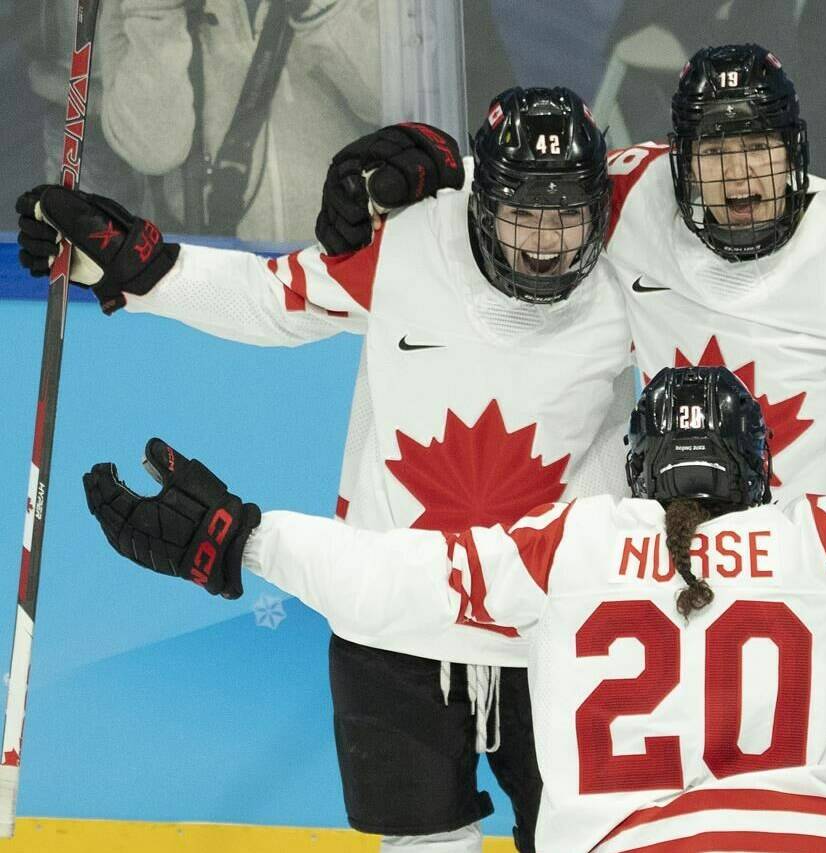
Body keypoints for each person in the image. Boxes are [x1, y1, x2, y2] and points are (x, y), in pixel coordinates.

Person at [314, 44, 826, 850]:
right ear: (676, 161)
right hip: (704, 585)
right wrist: (418, 167)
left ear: (796, 152)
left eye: (760, 152)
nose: (740, 180)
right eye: (717, 155)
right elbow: (519, 182)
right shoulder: (629, 198)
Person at [81, 366, 826, 852]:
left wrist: (244, 537)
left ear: (635, 467)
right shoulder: (823, 534)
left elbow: (394, 588)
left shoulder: (570, 541)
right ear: (757, 464)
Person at [16, 87, 632, 853]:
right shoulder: (411, 246)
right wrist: (134, 266)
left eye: (567, 217)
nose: (545, 242)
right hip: (391, 622)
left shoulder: (632, 280)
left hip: (557, 631)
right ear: (482, 201)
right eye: (522, 216)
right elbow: (270, 300)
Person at [96, 0, 381, 240]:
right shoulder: (134, 7)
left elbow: (397, 110)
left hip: (346, 270)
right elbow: (152, 150)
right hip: (215, 278)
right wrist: (159, 14)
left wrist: (321, 11)